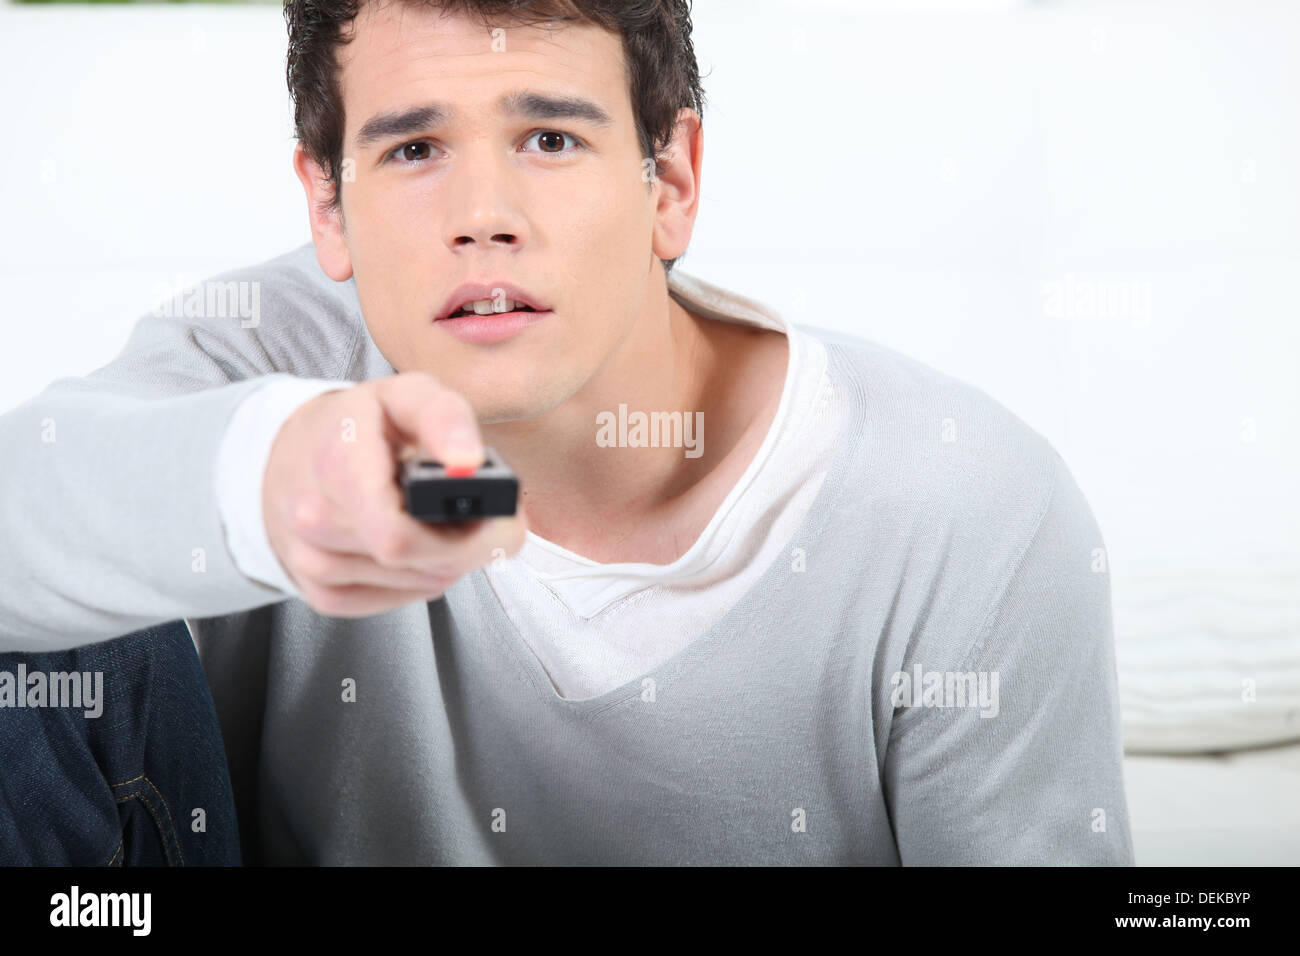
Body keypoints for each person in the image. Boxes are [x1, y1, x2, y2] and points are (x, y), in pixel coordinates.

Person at [0, 0, 1135, 865]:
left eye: (548, 137)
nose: (483, 216)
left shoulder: (967, 507)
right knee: (59, 613)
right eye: (412, 149)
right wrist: (264, 486)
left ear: (671, 180)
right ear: (327, 207)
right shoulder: (267, 353)